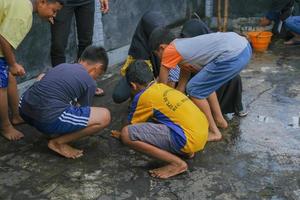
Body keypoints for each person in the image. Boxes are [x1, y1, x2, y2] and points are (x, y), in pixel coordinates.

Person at [149, 28, 252, 141]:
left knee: (194, 89)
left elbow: (162, 88)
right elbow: (182, 85)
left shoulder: (169, 51)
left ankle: (214, 132)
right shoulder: (182, 47)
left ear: (162, 48)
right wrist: (178, 95)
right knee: (203, 85)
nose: (159, 59)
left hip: (233, 55)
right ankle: (220, 121)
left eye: (157, 54)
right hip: (244, 48)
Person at [111, 60, 208, 179]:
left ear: (133, 86)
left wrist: (121, 133)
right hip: (202, 132)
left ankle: (177, 164)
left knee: (126, 134)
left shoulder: (143, 96)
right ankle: (187, 152)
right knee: (161, 118)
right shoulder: (162, 87)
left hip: (188, 138)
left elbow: (131, 124)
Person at [19, 46, 111, 159]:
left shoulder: (63, 66)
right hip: (46, 118)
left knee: (42, 76)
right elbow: (83, 110)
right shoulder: (89, 81)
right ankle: (58, 142)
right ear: (96, 68)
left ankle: (52, 128)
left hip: (24, 109)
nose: (97, 78)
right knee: (105, 116)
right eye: (99, 75)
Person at [0, 0, 64, 141]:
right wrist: (12, 64)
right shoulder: (23, 13)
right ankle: (5, 126)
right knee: (1, 88)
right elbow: (4, 39)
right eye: (54, 10)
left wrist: (11, 65)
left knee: (9, 76)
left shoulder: (24, 5)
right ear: (42, 2)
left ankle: (16, 115)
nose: (54, 14)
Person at [180, 19, 247, 116]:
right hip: (192, 83)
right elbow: (181, 82)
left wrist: (201, 70)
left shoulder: (212, 44)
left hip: (209, 75)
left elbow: (218, 65)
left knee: (234, 78)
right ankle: (211, 115)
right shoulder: (182, 48)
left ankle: (235, 107)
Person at [112, 11, 180, 103]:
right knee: (120, 94)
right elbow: (143, 80)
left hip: (160, 76)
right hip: (145, 78)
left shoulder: (165, 41)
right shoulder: (139, 48)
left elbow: (172, 70)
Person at [51, 0, 109, 95]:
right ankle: (60, 87)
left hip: (86, 2)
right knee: (58, 45)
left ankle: (84, 83)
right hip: (62, 2)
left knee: (86, 42)